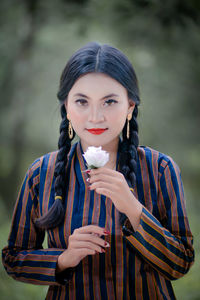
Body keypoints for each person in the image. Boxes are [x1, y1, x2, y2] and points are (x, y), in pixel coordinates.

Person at [2, 42, 194, 300]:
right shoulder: (41, 173)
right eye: (82, 101)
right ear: (67, 108)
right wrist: (64, 258)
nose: (95, 116)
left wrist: (133, 209)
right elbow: (14, 259)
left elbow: (180, 263)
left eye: (109, 102)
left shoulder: (160, 169)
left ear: (130, 107)